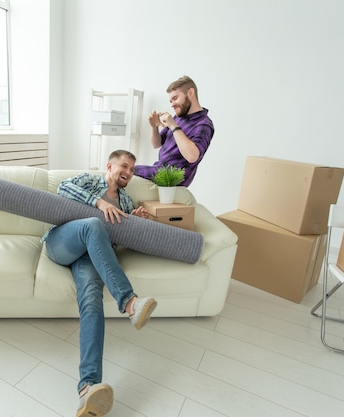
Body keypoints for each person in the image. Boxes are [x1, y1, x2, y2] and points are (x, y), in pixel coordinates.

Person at [43, 149, 158, 417]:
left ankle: (88, 390)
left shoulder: (127, 202)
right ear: (110, 166)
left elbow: (115, 241)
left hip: (88, 258)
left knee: (92, 302)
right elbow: (62, 189)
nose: (128, 172)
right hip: (62, 243)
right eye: (124, 166)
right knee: (93, 224)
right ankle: (130, 302)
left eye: (131, 169)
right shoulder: (90, 181)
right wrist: (99, 203)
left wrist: (135, 224)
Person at [134, 75, 214, 187]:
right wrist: (154, 126)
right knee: (121, 169)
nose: (172, 104)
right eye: (171, 101)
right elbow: (156, 144)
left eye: (175, 98)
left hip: (173, 177)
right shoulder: (179, 118)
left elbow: (192, 156)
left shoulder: (203, 124)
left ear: (190, 93)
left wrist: (173, 125)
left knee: (126, 171)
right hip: (159, 169)